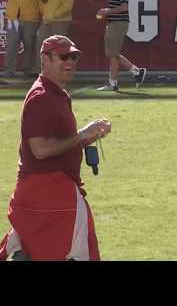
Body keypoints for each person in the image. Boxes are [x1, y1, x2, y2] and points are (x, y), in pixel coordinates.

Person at [0, 35, 112, 261]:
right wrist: (81, 134)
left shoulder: (55, 93)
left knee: (26, 252)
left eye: (74, 56)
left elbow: (58, 142)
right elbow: (40, 149)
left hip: (44, 192)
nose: (70, 61)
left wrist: (84, 138)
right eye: (63, 56)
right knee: (78, 252)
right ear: (45, 59)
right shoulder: (41, 97)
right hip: (48, 193)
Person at [96, 0, 146, 91]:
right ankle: (133, 73)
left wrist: (106, 11)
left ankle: (116, 82)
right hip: (114, 23)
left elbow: (124, 7)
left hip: (118, 23)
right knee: (113, 53)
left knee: (113, 53)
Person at [34, 0, 75, 75]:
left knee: (59, 47)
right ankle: (42, 71)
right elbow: (41, 2)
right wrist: (45, 13)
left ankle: (60, 71)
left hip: (61, 21)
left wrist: (54, 15)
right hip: (46, 20)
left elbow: (67, 6)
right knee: (41, 44)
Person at [3, 0, 41, 77]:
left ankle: (27, 70)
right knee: (11, 45)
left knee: (29, 46)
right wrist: (10, 16)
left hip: (31, 20)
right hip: (13, 19)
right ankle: (9, 71)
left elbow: (41, 4)